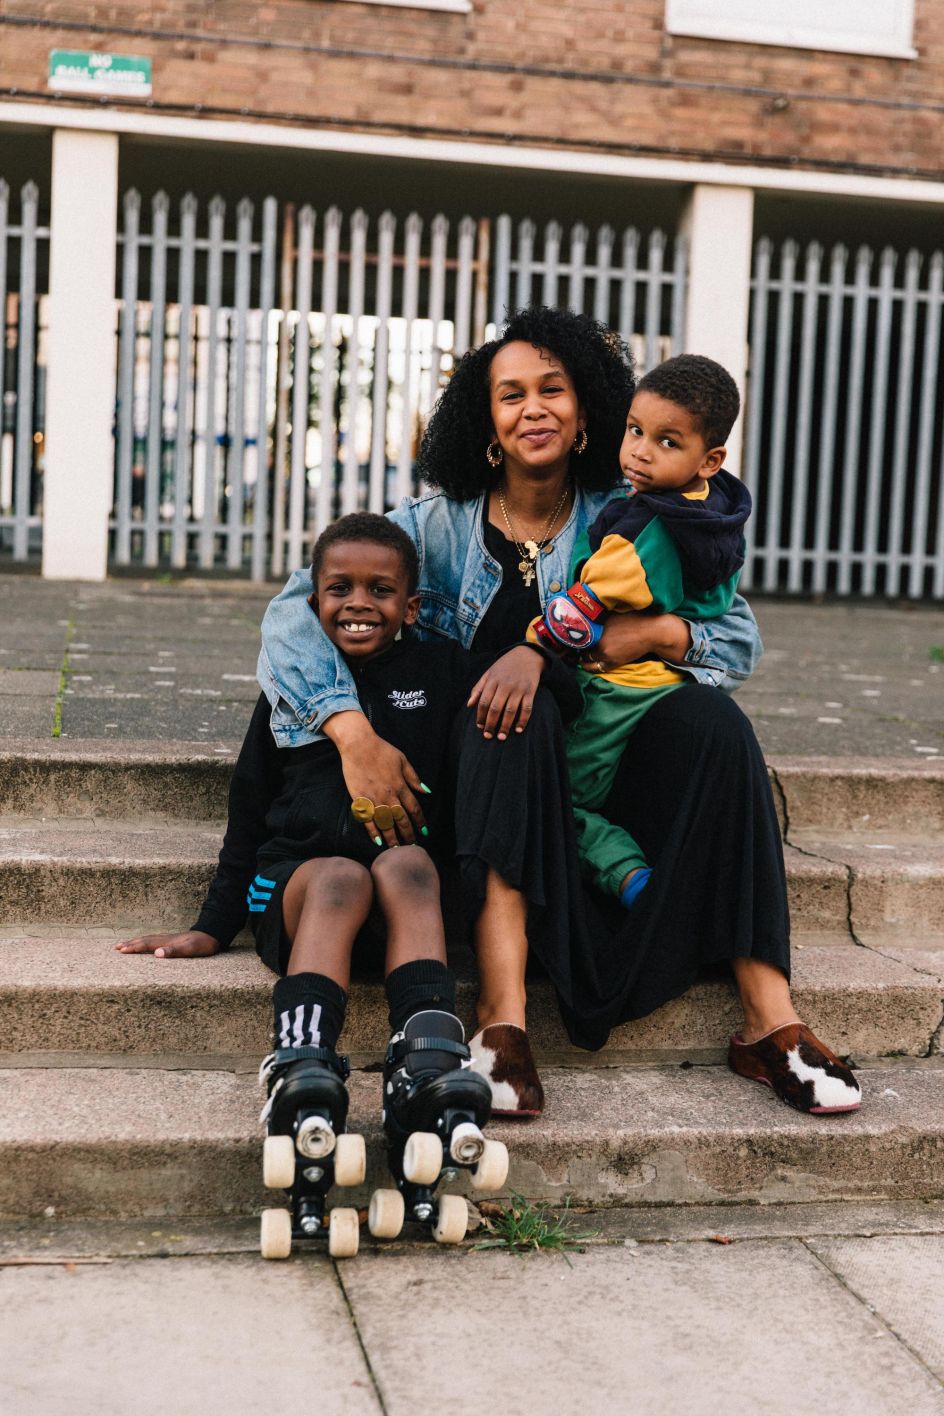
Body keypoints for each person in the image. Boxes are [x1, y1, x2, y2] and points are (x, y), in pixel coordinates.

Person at [257, 306, 861, 1118]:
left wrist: (655, 630)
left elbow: (737, 639)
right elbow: (295, 610)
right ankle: (501, 1019)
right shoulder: (434, 528)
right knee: (514, 710)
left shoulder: (640, 511)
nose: (531, 408)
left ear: (585, 415)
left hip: (605, 771)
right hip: (494, 782)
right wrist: (352, 732)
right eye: (510, 395)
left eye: (553, 389)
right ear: (488, 420)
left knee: (718, 727)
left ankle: (768, 1019)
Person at [118, 514, 578, 1245]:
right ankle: (303, 1063)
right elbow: (247, 812)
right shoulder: (292, 692)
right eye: (338, 589)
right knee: (338, 875)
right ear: (312, 600)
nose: (358, 603)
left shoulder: (441, 674)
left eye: (381, 590)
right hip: (307, 904)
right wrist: (211, 924)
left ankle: (426, 1060)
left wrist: (538, 658)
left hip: (406, 916)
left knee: (406, 861)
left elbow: (521, 723)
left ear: (414, 607)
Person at [531, 354, 751, 913]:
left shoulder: (648, 522)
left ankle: (625, 872)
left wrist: (547, 632)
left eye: (667, 442)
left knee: (561, 800)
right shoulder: (710, 510)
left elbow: (599, 589)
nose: (641, 451)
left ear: (711, 459)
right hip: (664, 687)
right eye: (634, 431)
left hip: (620, 688)